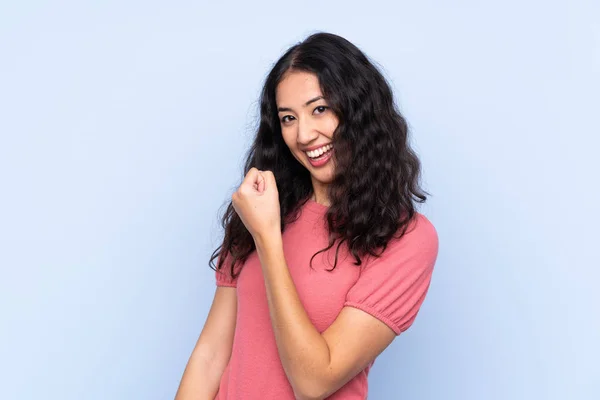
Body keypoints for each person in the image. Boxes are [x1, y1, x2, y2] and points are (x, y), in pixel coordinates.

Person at [175, 32, 439, 400]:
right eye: (287, 118)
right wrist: (263, 227)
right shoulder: (265, 208)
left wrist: (268, 240)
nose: (303, 134)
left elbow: (314, 382)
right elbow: (209, 357)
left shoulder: (406, 239)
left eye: (320, 109)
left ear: (358, 110)